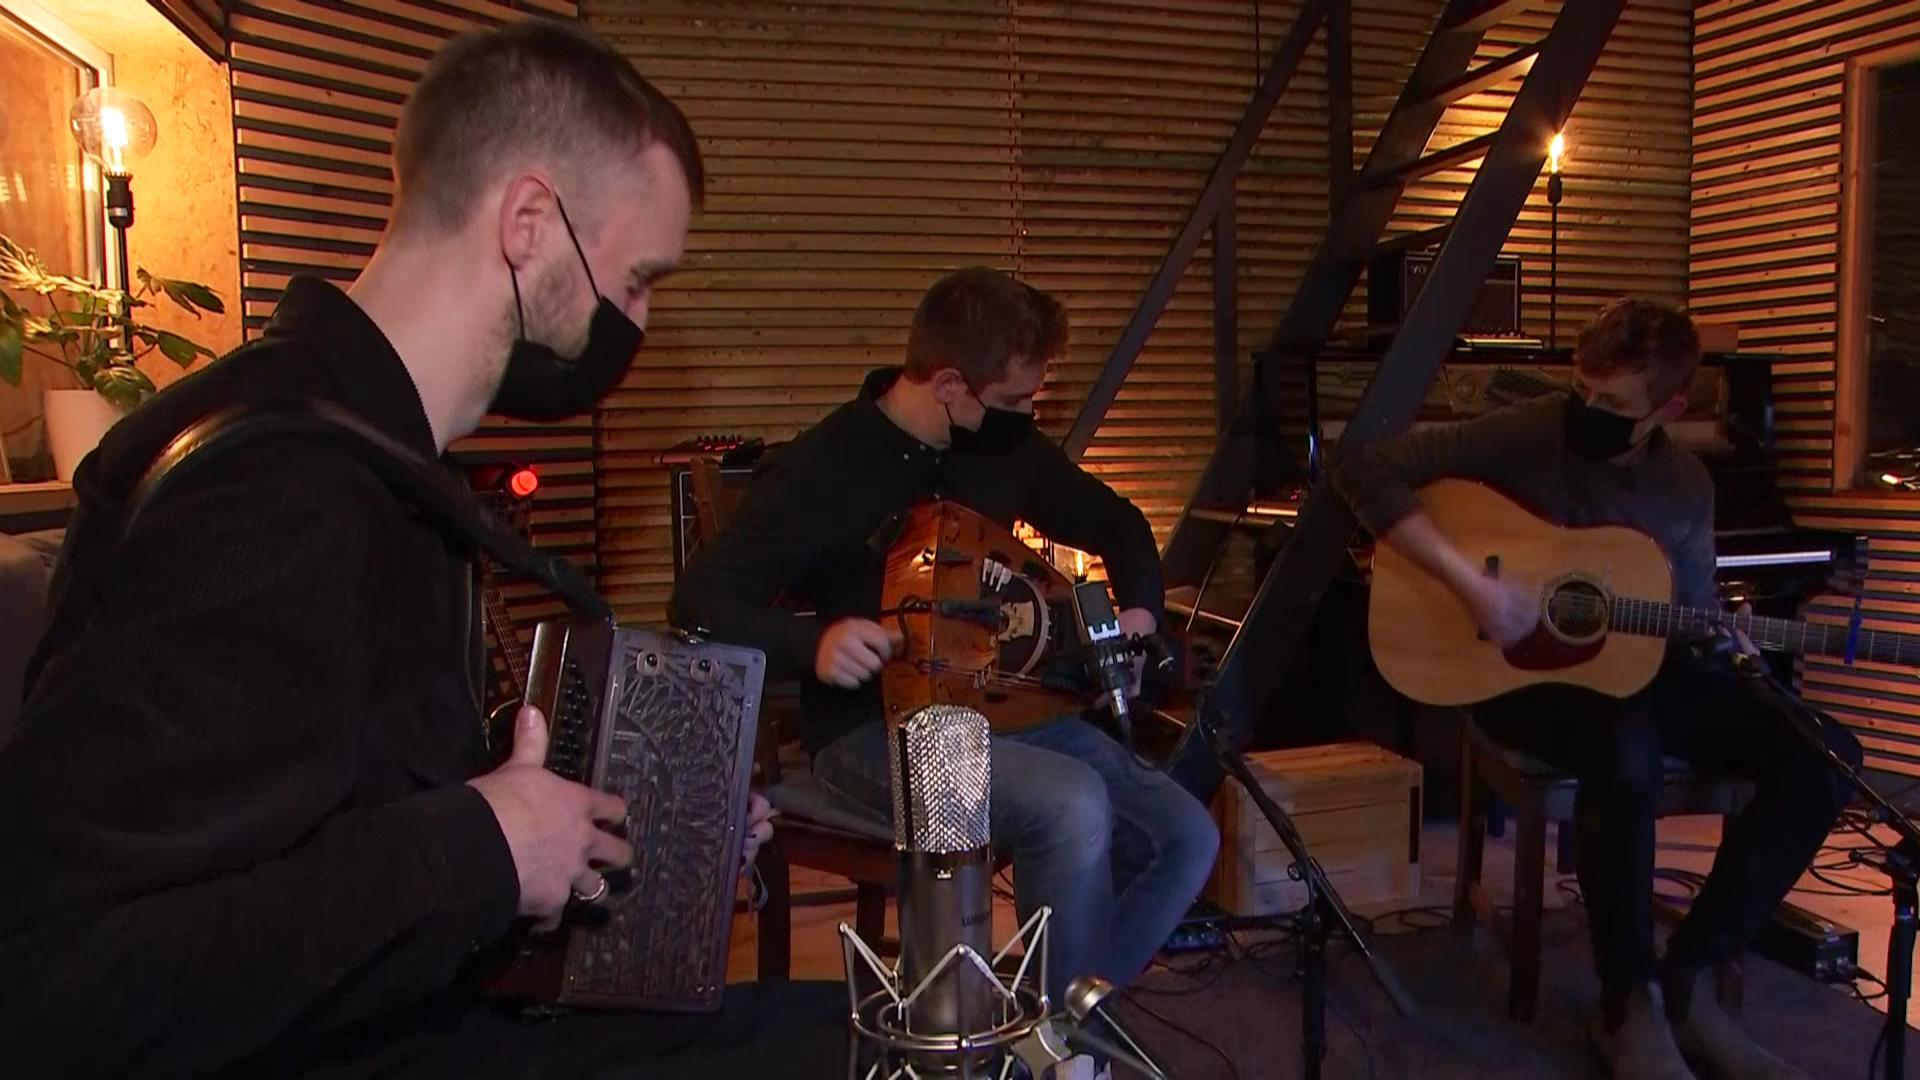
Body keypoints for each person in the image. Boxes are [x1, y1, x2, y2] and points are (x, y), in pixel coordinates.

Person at [0, 20, 845, 1079]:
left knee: (884, 1028)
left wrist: (605, 823)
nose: (636, 319)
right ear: (529, 222)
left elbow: (335, 820)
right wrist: (487, 848)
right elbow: (54, 985)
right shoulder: (272, 491)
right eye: (636, 280)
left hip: (410, 1015)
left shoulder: (379, 461)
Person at [669, 266, 1220, 1019]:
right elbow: (698, 598)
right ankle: (1062, 1047)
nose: (1028, 416)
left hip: (1007, 712)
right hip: (872, 735)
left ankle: (1055, 1024)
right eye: (1015, 400)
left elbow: (1117, 523)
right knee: (1072, 803)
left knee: (1186, 835)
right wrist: (813, 641)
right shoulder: (821, 468)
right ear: (952, 385)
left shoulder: (1002, 450)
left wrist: (1142, 616)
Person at [1333, 297, 1860, 1079]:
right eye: (1583, 388)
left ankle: (1689, 978)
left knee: (1823, 755)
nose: (1587, 410)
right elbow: (1362, 467)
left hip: (1634, 670)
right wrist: (1476, 589)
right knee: (1625, 745)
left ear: (1669, 410)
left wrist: (1724, 638)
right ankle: (1626, 1005)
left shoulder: (1684, 485)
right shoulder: (1532, 431)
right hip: (1518, 673)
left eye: (1613, 403)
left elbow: (1688, 615)